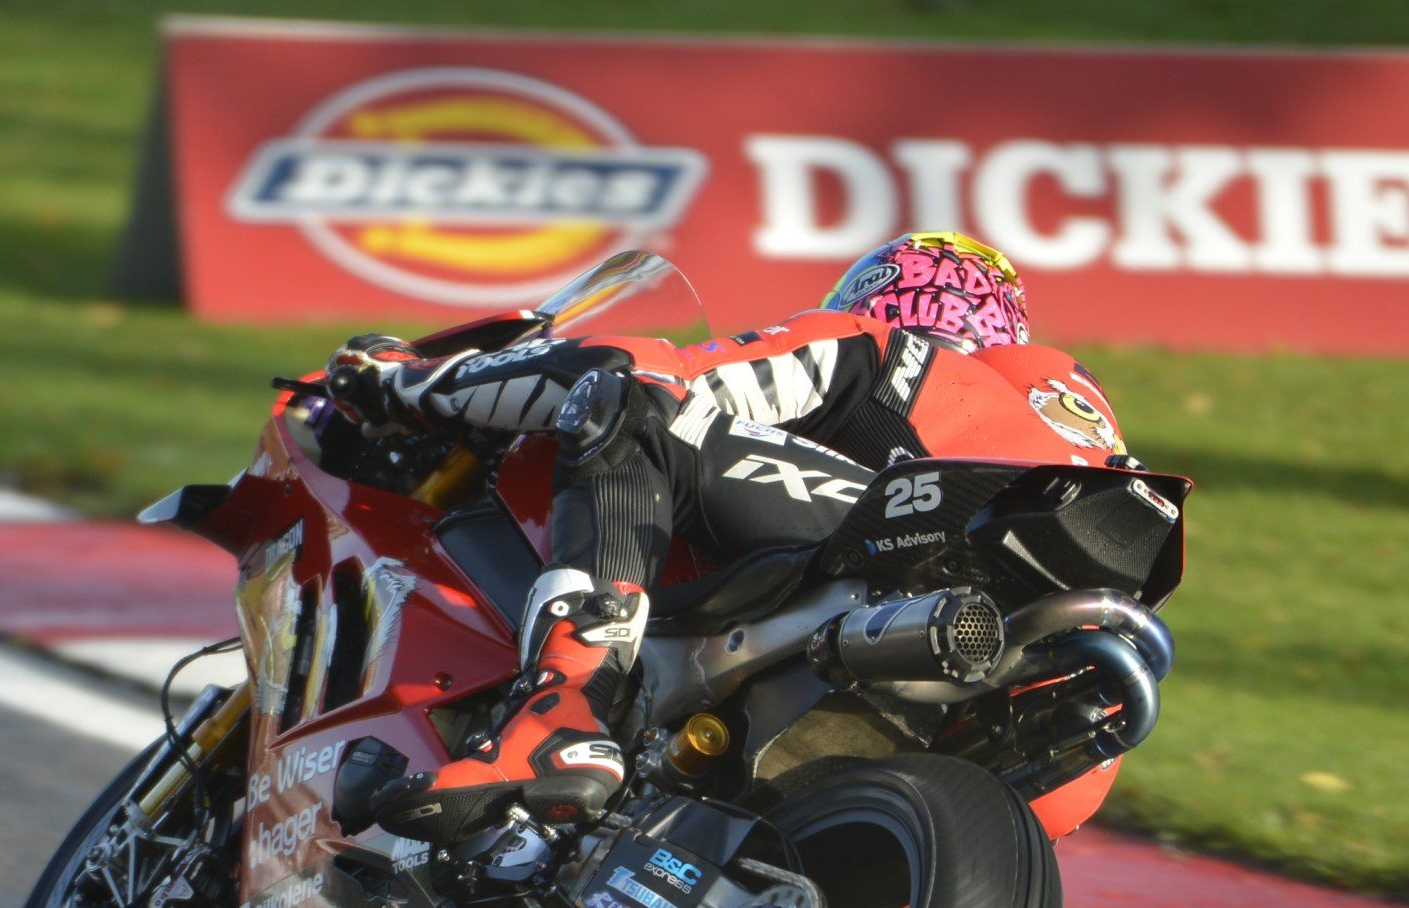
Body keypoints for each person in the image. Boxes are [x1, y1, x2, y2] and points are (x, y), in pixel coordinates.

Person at [322, 231, 1138, 843]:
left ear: (885, 297)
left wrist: (399, 385)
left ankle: (560, 712)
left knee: (625, 402)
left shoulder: (886, 350)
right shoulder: (1077, 426)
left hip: (902, 551)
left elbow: (651, 370)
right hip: (1054, 732)